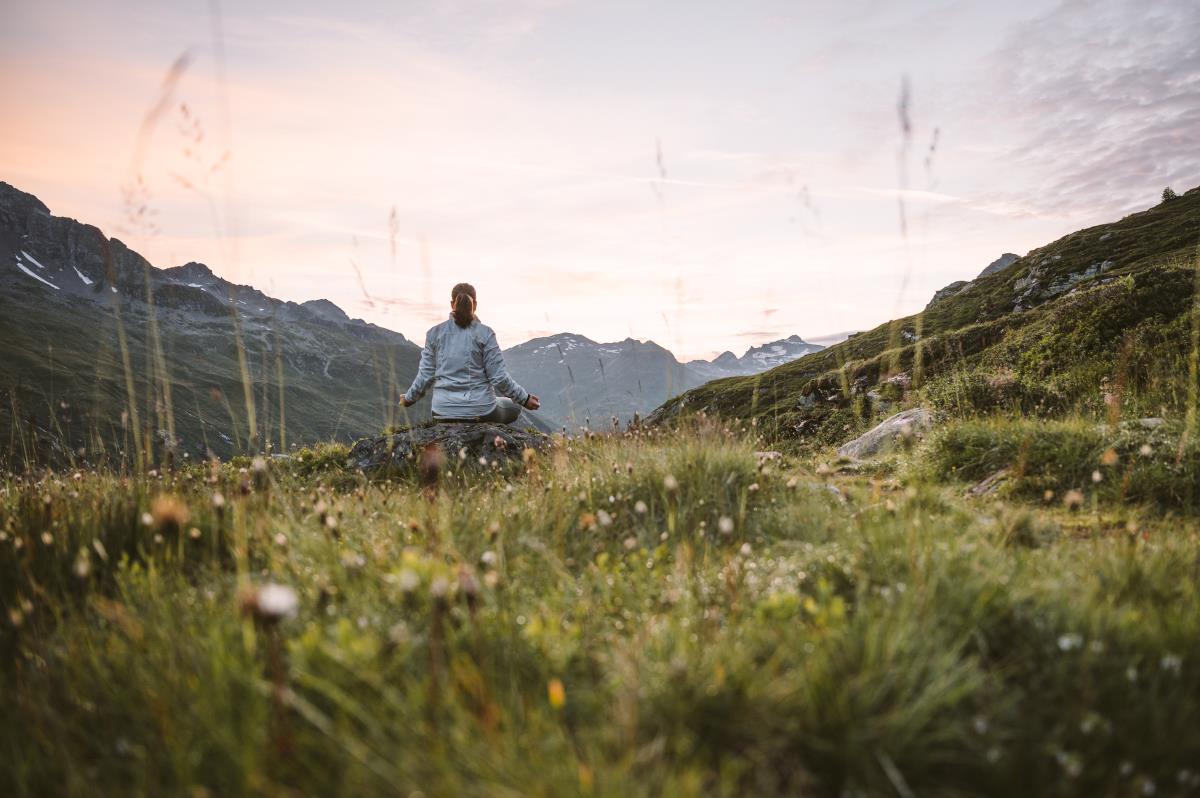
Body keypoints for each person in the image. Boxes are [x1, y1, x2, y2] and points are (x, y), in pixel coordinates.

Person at [399, 282, 540, 424]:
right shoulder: (486, 333)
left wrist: (408, 399)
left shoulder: (434, 334)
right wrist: (525, 399)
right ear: (475, 305)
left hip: (442, 411)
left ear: (452, 304)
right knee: (514, 406)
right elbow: (499, 377)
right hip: (481, 410)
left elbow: (425, 376)